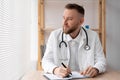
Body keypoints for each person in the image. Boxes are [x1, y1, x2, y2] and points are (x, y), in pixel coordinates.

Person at [42, 3, 106, 78]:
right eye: (63, 18)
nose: (64, 23)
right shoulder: (54, 36)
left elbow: (101, 61)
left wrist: (96, 69)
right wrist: (55, 70)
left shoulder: (93, 36)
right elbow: (46, 61)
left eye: (70, 19)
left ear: (81, 21)